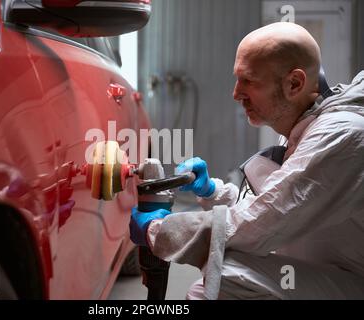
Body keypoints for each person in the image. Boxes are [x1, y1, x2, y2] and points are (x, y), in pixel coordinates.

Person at [129, 22, 364, 299]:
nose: (236, 93)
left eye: (249, 81)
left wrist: (158, 231)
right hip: (333, 271)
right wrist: (212, 192)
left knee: (225, 274)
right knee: (217, 279)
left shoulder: (341, 136)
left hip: (352, 281)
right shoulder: (304, 128)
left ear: (294, 84)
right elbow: (270, 206)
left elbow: (259, 223)